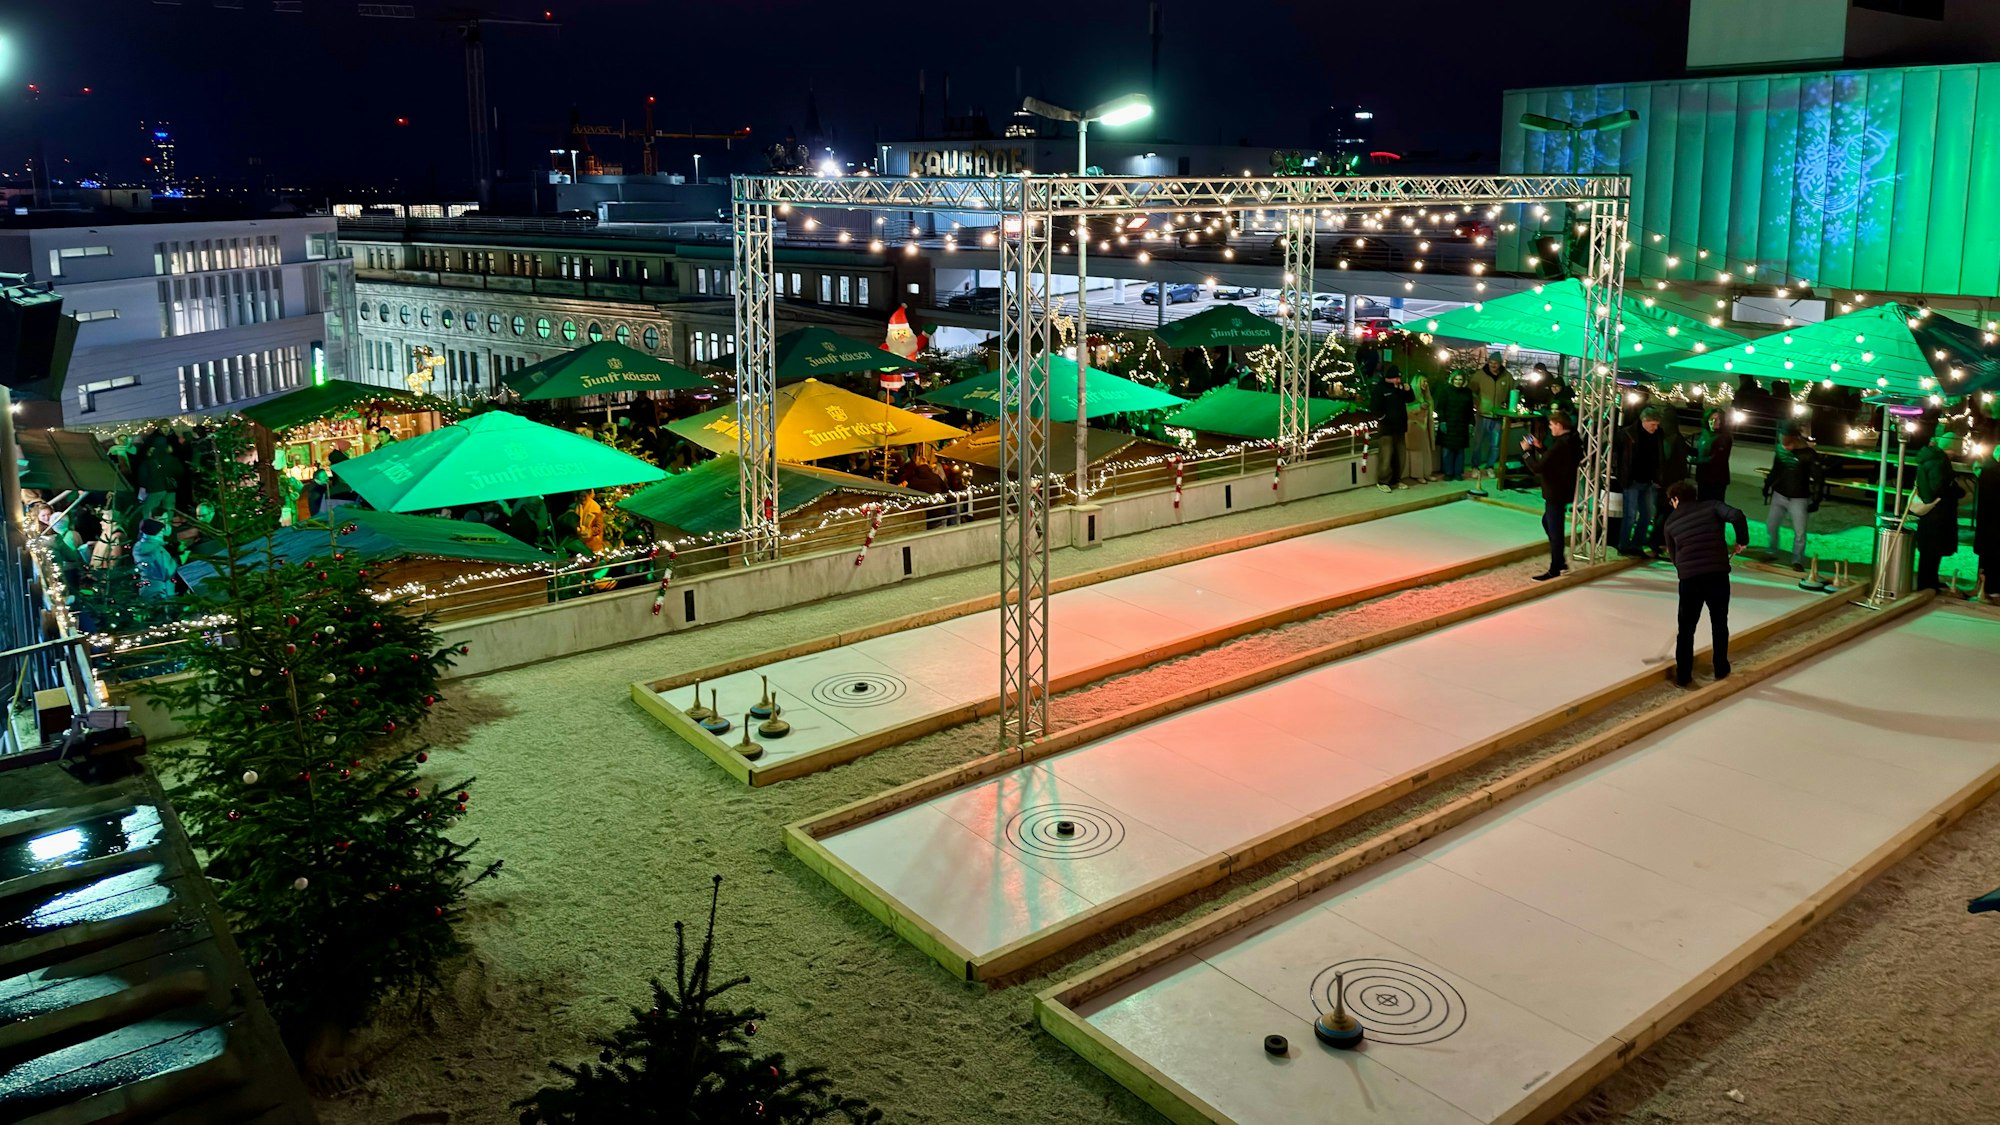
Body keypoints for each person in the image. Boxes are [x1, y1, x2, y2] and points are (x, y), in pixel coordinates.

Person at [1661, 480, 1750, 687]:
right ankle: (1720, 668)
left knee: (1686, 628)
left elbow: (1675, 558)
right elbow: (1736, 515)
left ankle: (1683, 675)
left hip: (1690, 579)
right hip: (1717, 574)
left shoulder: (1670, 523)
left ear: (1675, 499)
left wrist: (1685, 570)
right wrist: (1742, 541)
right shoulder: (1712, 506)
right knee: (1719, 623)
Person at [1520, 411, 1580, 581]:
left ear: (1559, 426)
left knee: (1555, 529)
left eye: (1552, 425)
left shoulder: (1560, 445)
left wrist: (1526, 452)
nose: (1550, 428)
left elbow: (1538, 467)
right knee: (1548, 522)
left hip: (1555, 491)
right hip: (1564, 489)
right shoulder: (1573, 441)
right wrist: (1541, 448)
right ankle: (1559, 561)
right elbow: (1555, 459)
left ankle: (1556, 567)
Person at [1905, 422, 1965, 593]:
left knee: (1930, 552)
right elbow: (1936, 490)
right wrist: (1954, 490)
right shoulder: (1939, 462)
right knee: (1931, 552)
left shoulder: (1934, 459)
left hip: (1933, 517)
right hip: (1936, 516)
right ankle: (1927, 585)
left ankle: (1930, 582)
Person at [1762, 422, 1818, 571]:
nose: (1786, 447)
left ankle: (1797, 559)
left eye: (1788, 443)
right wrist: (1767, 485)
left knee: (1800, 531)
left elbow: (1819, 478)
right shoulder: (1781, 451)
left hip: (1799, 498)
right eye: (1783, 444)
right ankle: (1771, 550)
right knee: (1771, 525)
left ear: (1795, 439)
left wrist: (1816, 499)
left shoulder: (1807, 454)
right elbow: (1775, 470)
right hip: (1780, 494)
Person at [1614, 407, 1667, 556]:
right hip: (1632, 481)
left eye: (1657, 425)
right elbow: (1617, 457)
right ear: (1644, 421)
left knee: (1647, 515)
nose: (1655, 428)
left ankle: (1637, 544)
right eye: (1653, 424)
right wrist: (1621, 476)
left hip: (1648, 481)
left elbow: (1658, 457)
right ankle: (1623, 545)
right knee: (1630, 516)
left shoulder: (1657, 435)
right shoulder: (1627, 434)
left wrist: (1657, 477)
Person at [1468, 354, 1513, 496]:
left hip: (1498, 416)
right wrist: (1477, 403)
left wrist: (1507, 406)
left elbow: (1513, 393)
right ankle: (1475, 466)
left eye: (1496, 363)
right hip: (1482, 415)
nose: (1493, 365)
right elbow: (1471, 391)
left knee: (1495, 445)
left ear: (1500, 363)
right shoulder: (1479, 375)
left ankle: (1490, 466)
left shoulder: (1507, 377)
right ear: (1488, 362)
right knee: (1478, 442)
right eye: (1491, 362)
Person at [1370, 364, 1417, 492]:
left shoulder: (1399, 388)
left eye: (1399, 378)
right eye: (1396, 378)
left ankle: (1396, 479)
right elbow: (1375, 408)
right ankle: (1383, 481)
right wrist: (1384, 418)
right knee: (1386, 455)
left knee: (1400, 456)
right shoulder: (1380, 389)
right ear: (1389, 378)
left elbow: (1410, 399)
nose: (1399, 380)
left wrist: (1408, 390)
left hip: (1400, 428)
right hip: (1387, 429)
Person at [1435, 370, 1477, 482]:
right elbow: (1440, 408)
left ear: (1464, 381)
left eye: (1460, 379)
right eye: (1456, 379)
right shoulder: (1445, 391)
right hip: (1449, 424)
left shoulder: (1467, 392)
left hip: (1462, 425)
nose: (1458, 382)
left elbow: (1470, 410)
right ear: (1452, 379)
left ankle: (1458, 473)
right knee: (1447, 451)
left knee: (1460, 451)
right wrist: (1442, 421)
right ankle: (1448, 473)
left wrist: (1471, 423)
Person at [1691, 405, 1733, 503]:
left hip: (1716, 479)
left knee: (1714, 506)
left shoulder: (1724, 437)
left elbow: (1717, 458)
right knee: (1702, 504)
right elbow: (1701, 451)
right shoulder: (1705, 434)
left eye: (1718, 419)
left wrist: (1695, 461)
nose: (1715, 421)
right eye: (1712, 419)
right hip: (1703, 477)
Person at [1976, 440, 2000, 603]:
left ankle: (1987, 589)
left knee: (1989, 556)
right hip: (1994, 523)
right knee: (1994, 557)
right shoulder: (1993, 472)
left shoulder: (1988, 470)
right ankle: (1991, 591)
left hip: (1989, 522)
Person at [132, 518, 179, 601]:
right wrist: (177, 559)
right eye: (161, 531)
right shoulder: (156, 549)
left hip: (147, 588)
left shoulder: (139, 545)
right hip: (161, 592)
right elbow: (166, 572)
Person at [1404, 370, 1439, 482]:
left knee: (1426, 451)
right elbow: (1406, 409)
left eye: (1427, 382)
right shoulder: (1411, 394)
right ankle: (1418, 474)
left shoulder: (1425, 395)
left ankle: (1427, 473)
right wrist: (1420, 407)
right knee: (1417, 452)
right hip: (1415, 427)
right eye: (1424, 382)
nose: (1426, 384)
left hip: (1425, 427)